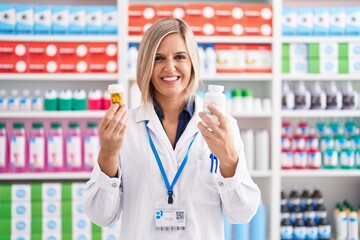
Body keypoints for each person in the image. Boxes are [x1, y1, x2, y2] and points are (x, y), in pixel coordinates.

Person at [82, 18, 261, 239]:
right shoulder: (124, 128)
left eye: (179, 57)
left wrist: (229, 160)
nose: (170, 67)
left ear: (192, 62)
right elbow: (101, 216)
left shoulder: (223, 127)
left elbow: (243, 213)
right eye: (158, 58)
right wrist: (108, 153)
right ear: (146, 64)